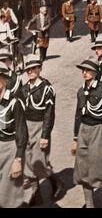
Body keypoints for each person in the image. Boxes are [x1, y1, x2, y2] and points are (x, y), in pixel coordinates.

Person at [71, 56, 102, 208]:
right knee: (82, 169)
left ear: (96, 72)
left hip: (99, 130)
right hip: (84, 130)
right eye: (83, 70)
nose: (84, 73)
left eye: (88, 70)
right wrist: (75, 138)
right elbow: (78, 115)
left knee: (96, 169)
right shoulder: (81, 91)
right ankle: (89, 204)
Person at [21, 54, 63, 204]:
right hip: (26, 126)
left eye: (33, 68)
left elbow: (49, 114)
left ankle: (54, 182)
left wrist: (45, 135)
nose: (30, 71)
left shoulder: (46, 88)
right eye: (28, 69)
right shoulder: (24, 88)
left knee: (39, 160)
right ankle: (35, 192)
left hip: (40, 127)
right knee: (27, 160)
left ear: (40, 68)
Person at [0, 62, 28, 208]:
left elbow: (22, 132)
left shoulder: (14, 102)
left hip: (10, 149)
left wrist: (18, 159)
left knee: (9, 196)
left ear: (4, 79)